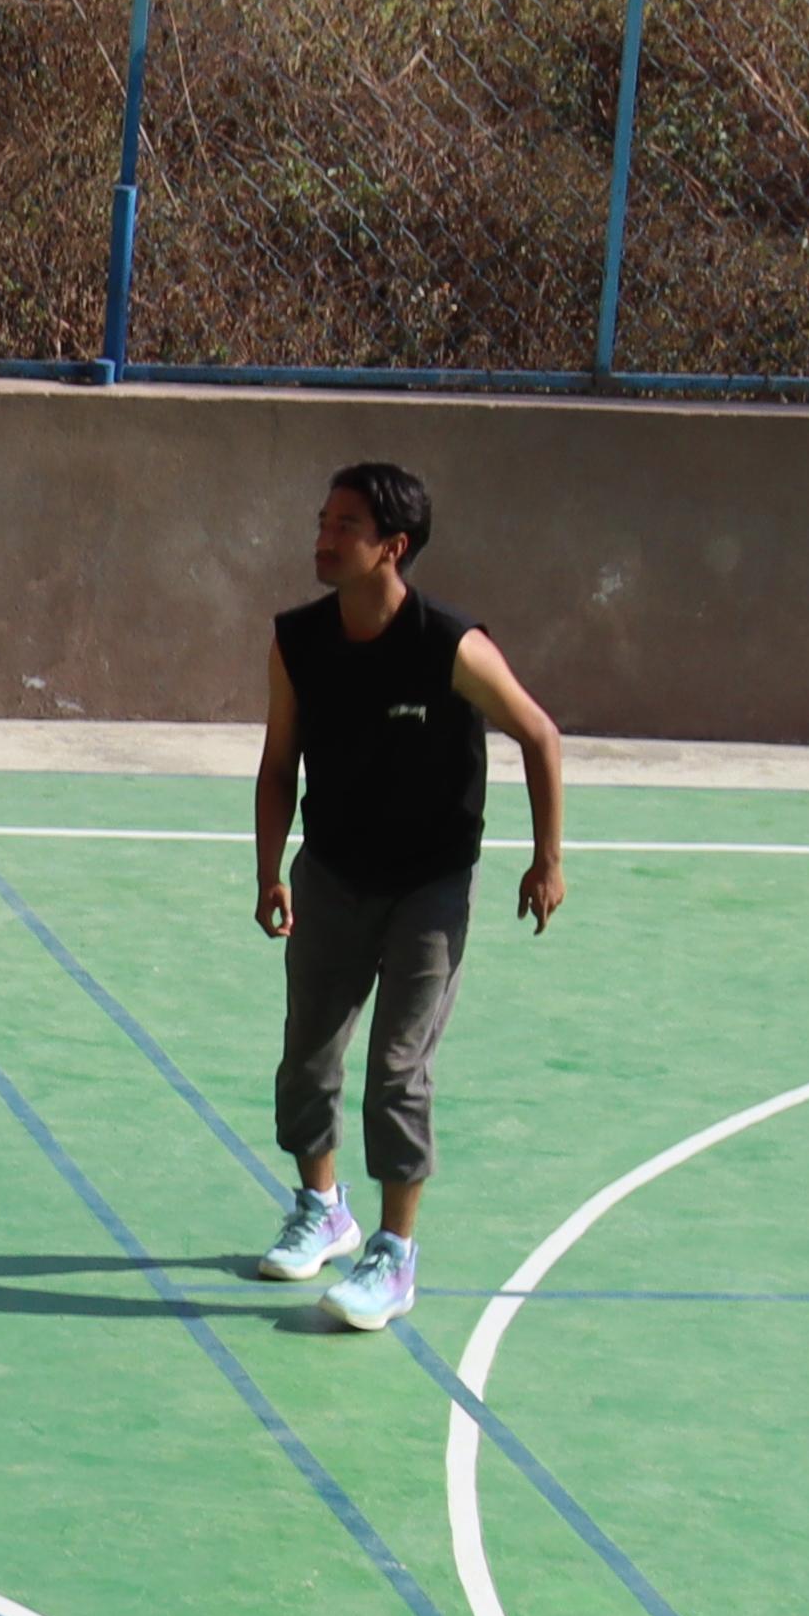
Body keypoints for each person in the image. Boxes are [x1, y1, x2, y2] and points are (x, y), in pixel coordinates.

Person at [241, 461, 565, 1336]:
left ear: (394, 546)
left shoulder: (448, 644)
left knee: (397, 1070)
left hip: (429, 886)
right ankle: (323, 1210)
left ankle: (394, 1255)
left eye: (345, 525)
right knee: (308, 1057)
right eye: (322, 520)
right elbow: (278, 764)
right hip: (332, 874)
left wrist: (546, 860)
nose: (323, 537)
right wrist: (271, 870)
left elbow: (539, 734)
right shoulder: (298, 641)